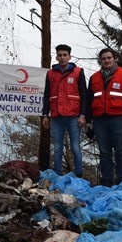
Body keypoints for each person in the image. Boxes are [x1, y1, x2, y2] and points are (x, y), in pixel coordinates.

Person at [86, 48, 122, 186]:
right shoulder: (94, 78)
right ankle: (107, 181)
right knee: (104, 152)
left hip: (119, 118)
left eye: (109, 58)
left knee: (120, 150)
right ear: (100, 61)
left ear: (115, 59)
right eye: (104, 58)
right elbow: (89, 99)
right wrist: (88, 119)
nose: (107, 61)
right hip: (99, 119)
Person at [42, 44, 87, 177]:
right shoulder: (50, 73)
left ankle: (79, 175)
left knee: (75, 148)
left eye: (64, 55)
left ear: (69, 56)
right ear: (56, 57)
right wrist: (45, 115)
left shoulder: (78, 72)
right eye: (59, 55)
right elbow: (47, 95)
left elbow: (84, 94)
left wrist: (83, 115)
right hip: (56, 116)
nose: (62, 58)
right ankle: (57, 176)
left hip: (74, 115)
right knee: (57, 149)